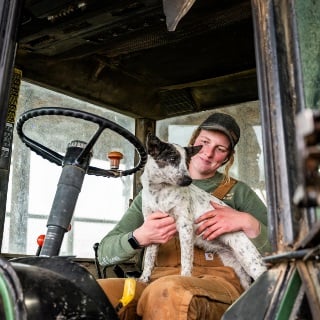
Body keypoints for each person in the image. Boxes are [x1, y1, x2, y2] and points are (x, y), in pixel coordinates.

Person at [97, 112, 271, 320]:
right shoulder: (149, 194)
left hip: (217, 285)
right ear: (193, 142)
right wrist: (139, 237)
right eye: (204, 142)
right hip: (156, 281)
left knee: (170, 292)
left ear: (227, 157)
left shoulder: (239, 193)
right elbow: (104, 254)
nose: (208, 153)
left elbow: (287, 247)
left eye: (220, 149)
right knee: (97, 292)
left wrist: (248, 222)